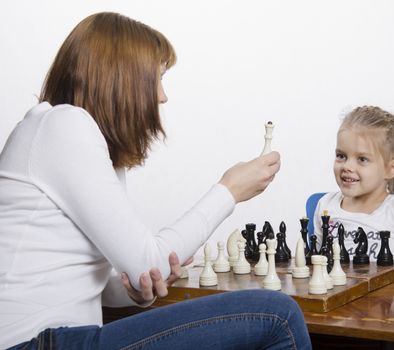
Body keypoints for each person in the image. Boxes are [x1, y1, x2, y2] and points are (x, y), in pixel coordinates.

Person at [0, 12, 311, 350]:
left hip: (62, 339)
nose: (163, 96)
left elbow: (97, 282)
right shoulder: (64, 125)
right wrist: (230, 190)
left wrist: (137, 291)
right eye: (158, 78)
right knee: (276, 314)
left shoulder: (72, 136)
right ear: (123, 79)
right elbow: (151, 259)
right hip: (32, 344)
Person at [313, 106, 394, 273]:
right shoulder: (326, 205)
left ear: (391, 169)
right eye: (341, 156)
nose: (347, 166)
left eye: (362, 159)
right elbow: (316, 266)